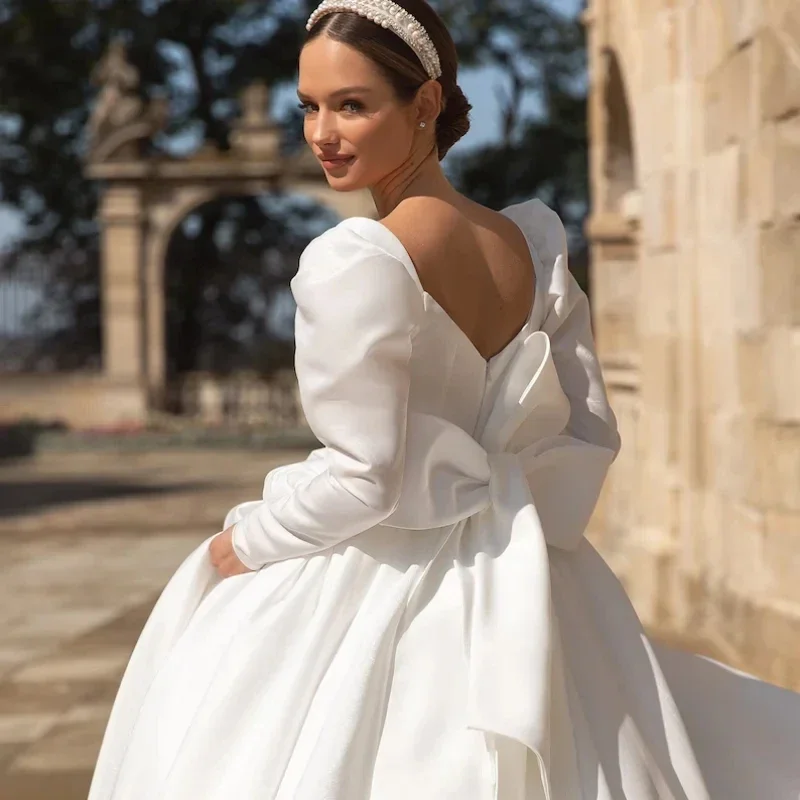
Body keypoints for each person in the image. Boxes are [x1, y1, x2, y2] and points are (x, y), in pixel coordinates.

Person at [87, 1, 800, 798]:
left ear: (425, 104)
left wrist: (246, 542)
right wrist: (525, 508)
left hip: (383, 574)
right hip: (537, 577)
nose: (322, 133)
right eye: (309, 106)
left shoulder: (354, 259)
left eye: (352, 105)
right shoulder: (531, 244)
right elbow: (591, 430)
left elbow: (367, 476)